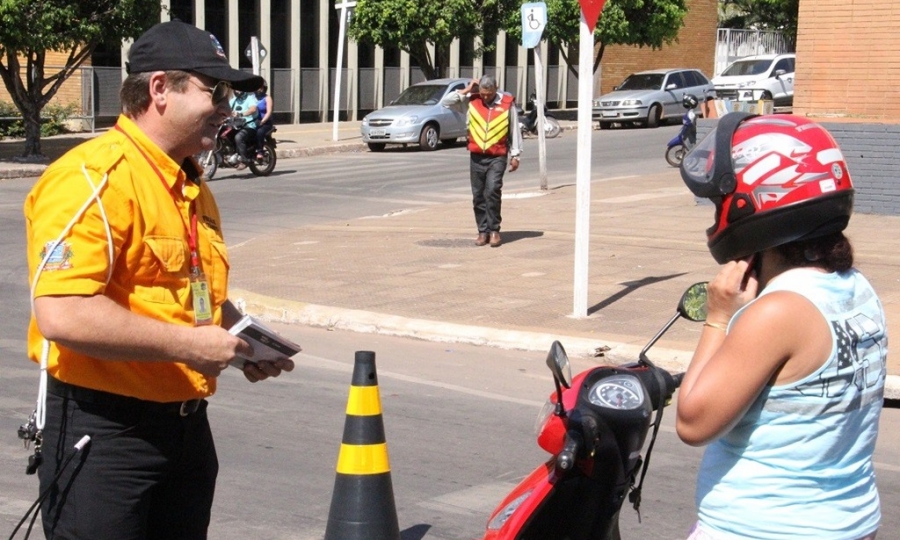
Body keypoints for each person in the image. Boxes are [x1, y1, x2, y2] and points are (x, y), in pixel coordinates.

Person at [23, 20, 294, 539]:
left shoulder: (189, 183)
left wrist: (241, 340)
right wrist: (191, 345)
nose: (227, 107)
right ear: (160, 89)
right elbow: (63, 313)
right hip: (105, 435)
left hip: (185, 430)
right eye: (215, 91)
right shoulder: (91, 179)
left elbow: (190, 292)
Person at [676, 112, 886, 540]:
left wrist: (718, 317)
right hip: (850, 522)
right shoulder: (855, 288)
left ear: (757, 202)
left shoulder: (778, 312)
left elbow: (693, 423)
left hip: (763, 527)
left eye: (720, 203)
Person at [441, 75, 523, 247]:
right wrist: (467, 89)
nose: (485, 97)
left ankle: (494, 230)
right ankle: (482, 231)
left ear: (496, 89)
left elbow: (514, 130)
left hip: (497, 156)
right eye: (483, 93)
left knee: (492, 190)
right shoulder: (472, 101)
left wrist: (515, 155)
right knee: (478, 195)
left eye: (489, 93)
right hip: (477, 156)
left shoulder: (507, 104)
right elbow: (446, 102)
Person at [229, 88, 258, 168]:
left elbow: (253, 109)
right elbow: (226, 110)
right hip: (236, 125)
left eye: (238, 90)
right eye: (235, 90)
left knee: (238, 137)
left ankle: (244, 160)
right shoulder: (233, 100)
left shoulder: (250, 99)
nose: (236, 91)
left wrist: (241, 114)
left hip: (249, 125)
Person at [254, 80, 274, 159]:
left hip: (265, 123)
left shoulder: (267, 98)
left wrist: (262, 121)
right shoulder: (252, 98)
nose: (259, 89)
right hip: (253, 121)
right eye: (257, 88)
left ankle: (260, 151)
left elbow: (269, 112)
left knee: (259, 132)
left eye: (261, 88)